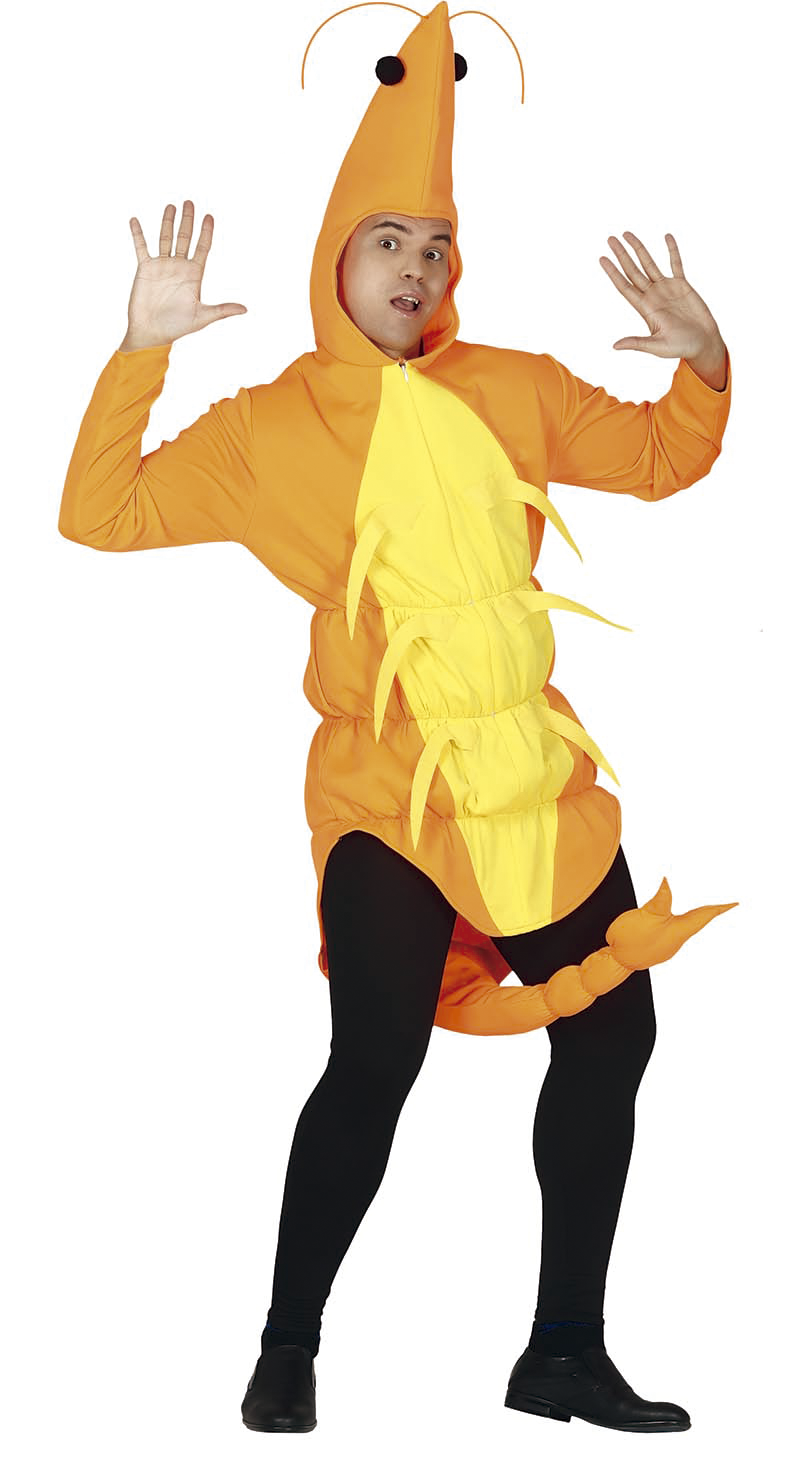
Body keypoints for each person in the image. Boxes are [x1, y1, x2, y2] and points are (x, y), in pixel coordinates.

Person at [58, 0, 735, 1436]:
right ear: (335, 259)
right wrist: (140, 352)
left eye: (436, 247)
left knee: (613, 1031)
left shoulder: (512, 387)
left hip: (534, 779)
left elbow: (663, 458)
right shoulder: (268, 426)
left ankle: (562, 1351)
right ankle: (287, 1343)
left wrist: (706, 362)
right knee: (375, 1059)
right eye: (389, 242)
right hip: (389, 794)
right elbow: (99, 513)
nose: (417, 268)